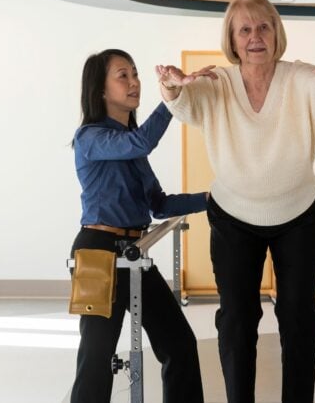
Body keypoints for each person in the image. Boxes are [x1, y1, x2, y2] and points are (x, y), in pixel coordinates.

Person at [155, 0, 315, 403]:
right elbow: (186, 105)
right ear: (232, 38)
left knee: (298, 316)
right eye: (245, 29)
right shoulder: (218, 82)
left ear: (276, 33)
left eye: (263, 27)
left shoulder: (299, 76)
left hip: (298, 215)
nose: (255, 37)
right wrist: (170, 86)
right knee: (236, 320)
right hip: (234, 217)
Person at [69, 48, 210, 403]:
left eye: (135, 74)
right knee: (96, 357)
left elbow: (159, 204)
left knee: (179, 343)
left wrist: (212, 199)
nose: (134, 83)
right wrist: (171, 98)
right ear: (100, 90)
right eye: (123, 76)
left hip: (135, 254)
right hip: (98, 254)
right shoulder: (91, 138)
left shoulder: (132, 148)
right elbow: (141, 140)